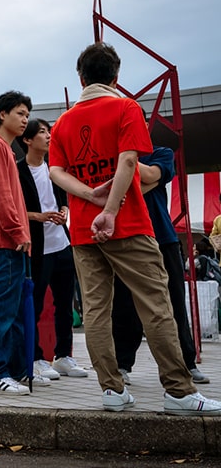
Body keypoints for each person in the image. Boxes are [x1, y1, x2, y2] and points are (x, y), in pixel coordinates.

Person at [48, 41, 220, 415]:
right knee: (156, 307)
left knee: (96, 310)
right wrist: (109, 209)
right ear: (116, 76)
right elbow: (127, 162)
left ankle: (111, 389)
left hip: (82, 231)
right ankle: (178, 390)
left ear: (80, 78)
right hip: (128, 224)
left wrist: (89, 197)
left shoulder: (62, 123)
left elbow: (56, 172)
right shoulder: (125, 107)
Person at [112, 146, 209, 385]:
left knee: (174, 301)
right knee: (125, 305)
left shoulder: (161, 153)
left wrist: (127, 166)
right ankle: (122, 364)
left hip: (162, 238)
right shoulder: (111, 157)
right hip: (127, 238)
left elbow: (151, 176)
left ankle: (187, 362)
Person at [16, 119, 87, 380]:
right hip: (38, 247)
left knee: (65, 303)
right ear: (28, 139)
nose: (48, 136)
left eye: (49, 132)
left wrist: (64, 209)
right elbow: (14, 210)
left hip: (61, 243)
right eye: (43, 132)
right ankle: (34, 358)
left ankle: (63, 356)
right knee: (33, 305)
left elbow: (63, 197)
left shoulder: (54, 168)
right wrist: (39, 216)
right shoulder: (18, 171)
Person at [0, 91, 37, 395]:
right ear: (3, 114)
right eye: (20, 113)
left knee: (10, 311)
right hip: (5, 243)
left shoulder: (2, 150)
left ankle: (12, 371)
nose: (25, 119)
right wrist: (19, 232)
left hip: (8, 242)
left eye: (27, 115)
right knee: (0, 310)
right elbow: (1, 196)